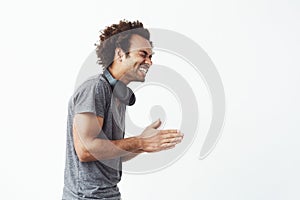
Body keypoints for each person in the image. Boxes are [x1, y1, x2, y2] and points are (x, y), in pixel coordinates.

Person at [62, 20, 184, 200]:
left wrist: (144, 143)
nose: (149, 62)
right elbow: (86, 150)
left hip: (109, 195)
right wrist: (140, 142)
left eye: (151, 56)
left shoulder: (118, 96)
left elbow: (112, 153)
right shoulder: (95, 88)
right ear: (120, 53)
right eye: (143, 54)